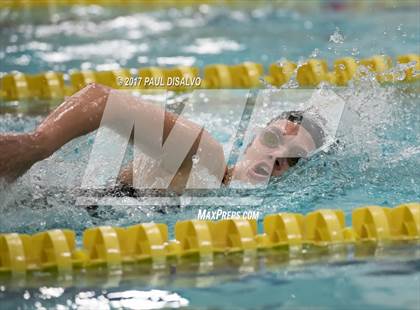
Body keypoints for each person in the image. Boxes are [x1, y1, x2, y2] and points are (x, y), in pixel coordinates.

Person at [0, 83, 325, 193]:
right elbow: (101, 100)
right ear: (252, 139)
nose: (276, 158)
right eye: (271, 140)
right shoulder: (204, 155)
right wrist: (36, 145)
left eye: (293, 158)